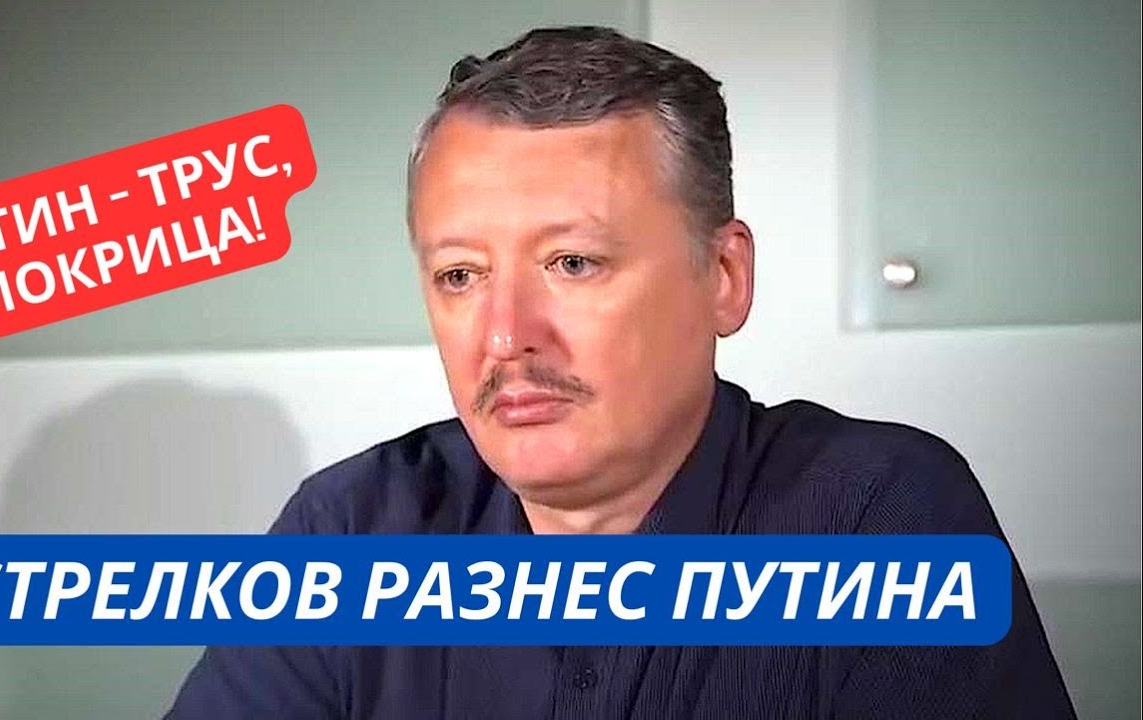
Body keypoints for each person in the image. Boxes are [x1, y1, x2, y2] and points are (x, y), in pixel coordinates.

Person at [168, 26, 1074, 719]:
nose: (505, 337)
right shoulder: (349, 532)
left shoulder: (876, 518)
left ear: (724, 278)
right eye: (460, 276)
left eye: (573, 263)